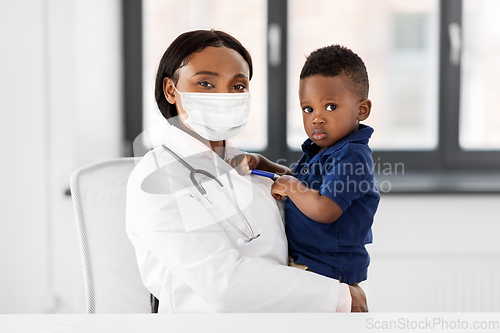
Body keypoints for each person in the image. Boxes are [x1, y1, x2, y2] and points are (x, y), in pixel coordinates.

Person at [126, 30, 362, 313]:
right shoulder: (158, 177)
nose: (224, 97)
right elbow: (224, 283)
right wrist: (338, 297)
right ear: (170, 90)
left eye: (238, 86)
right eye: (205, 83)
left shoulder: (248, 166)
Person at [236, 45, 378, 311]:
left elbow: (325, 208)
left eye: (331, 107)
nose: (317, 119)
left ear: (362, 109)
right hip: (309, 265)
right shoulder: (322, 150)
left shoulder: (351, 156)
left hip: (328, 270)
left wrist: (290, 187)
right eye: (307, 109)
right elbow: (301, 182)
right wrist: (264, 163)